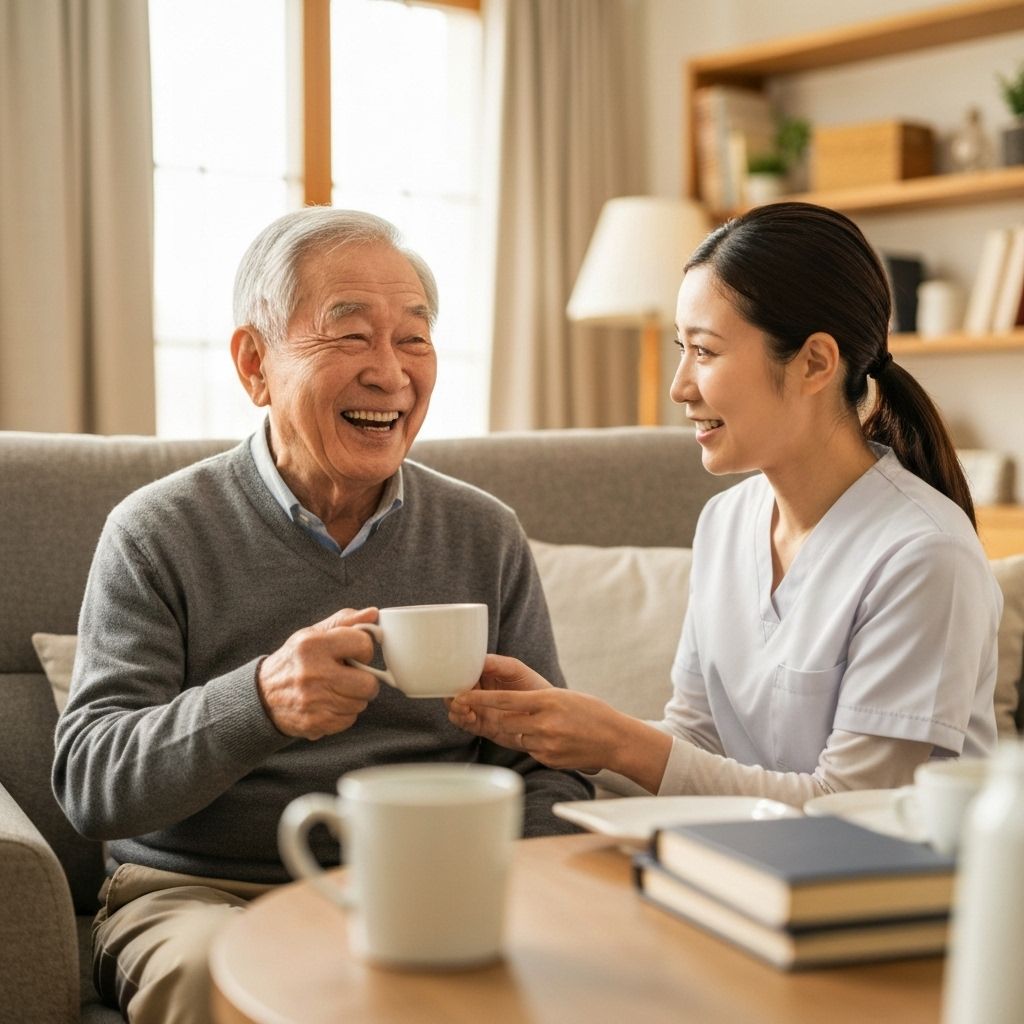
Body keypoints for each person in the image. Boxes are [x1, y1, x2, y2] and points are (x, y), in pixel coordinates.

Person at [52, 208, 592, 1024]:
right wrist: (259, 702)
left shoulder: (483, 531)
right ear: (254, 364)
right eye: (349, 337)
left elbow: (548, 762)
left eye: (413, 338)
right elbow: (92, 784)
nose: (390, 373)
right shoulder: (157, 530)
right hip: (203, 891)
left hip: (432, 888)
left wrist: (529, 891)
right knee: (214, 974)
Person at [449, 202, 1000, 805]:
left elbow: (853, 805)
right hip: (730, 867)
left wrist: (615, 741)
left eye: (705, 352)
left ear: (815, 362)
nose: (679, 387)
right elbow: (696, 741)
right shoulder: (726, 521)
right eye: (681, 348)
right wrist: (554, 728)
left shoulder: (924, 555)